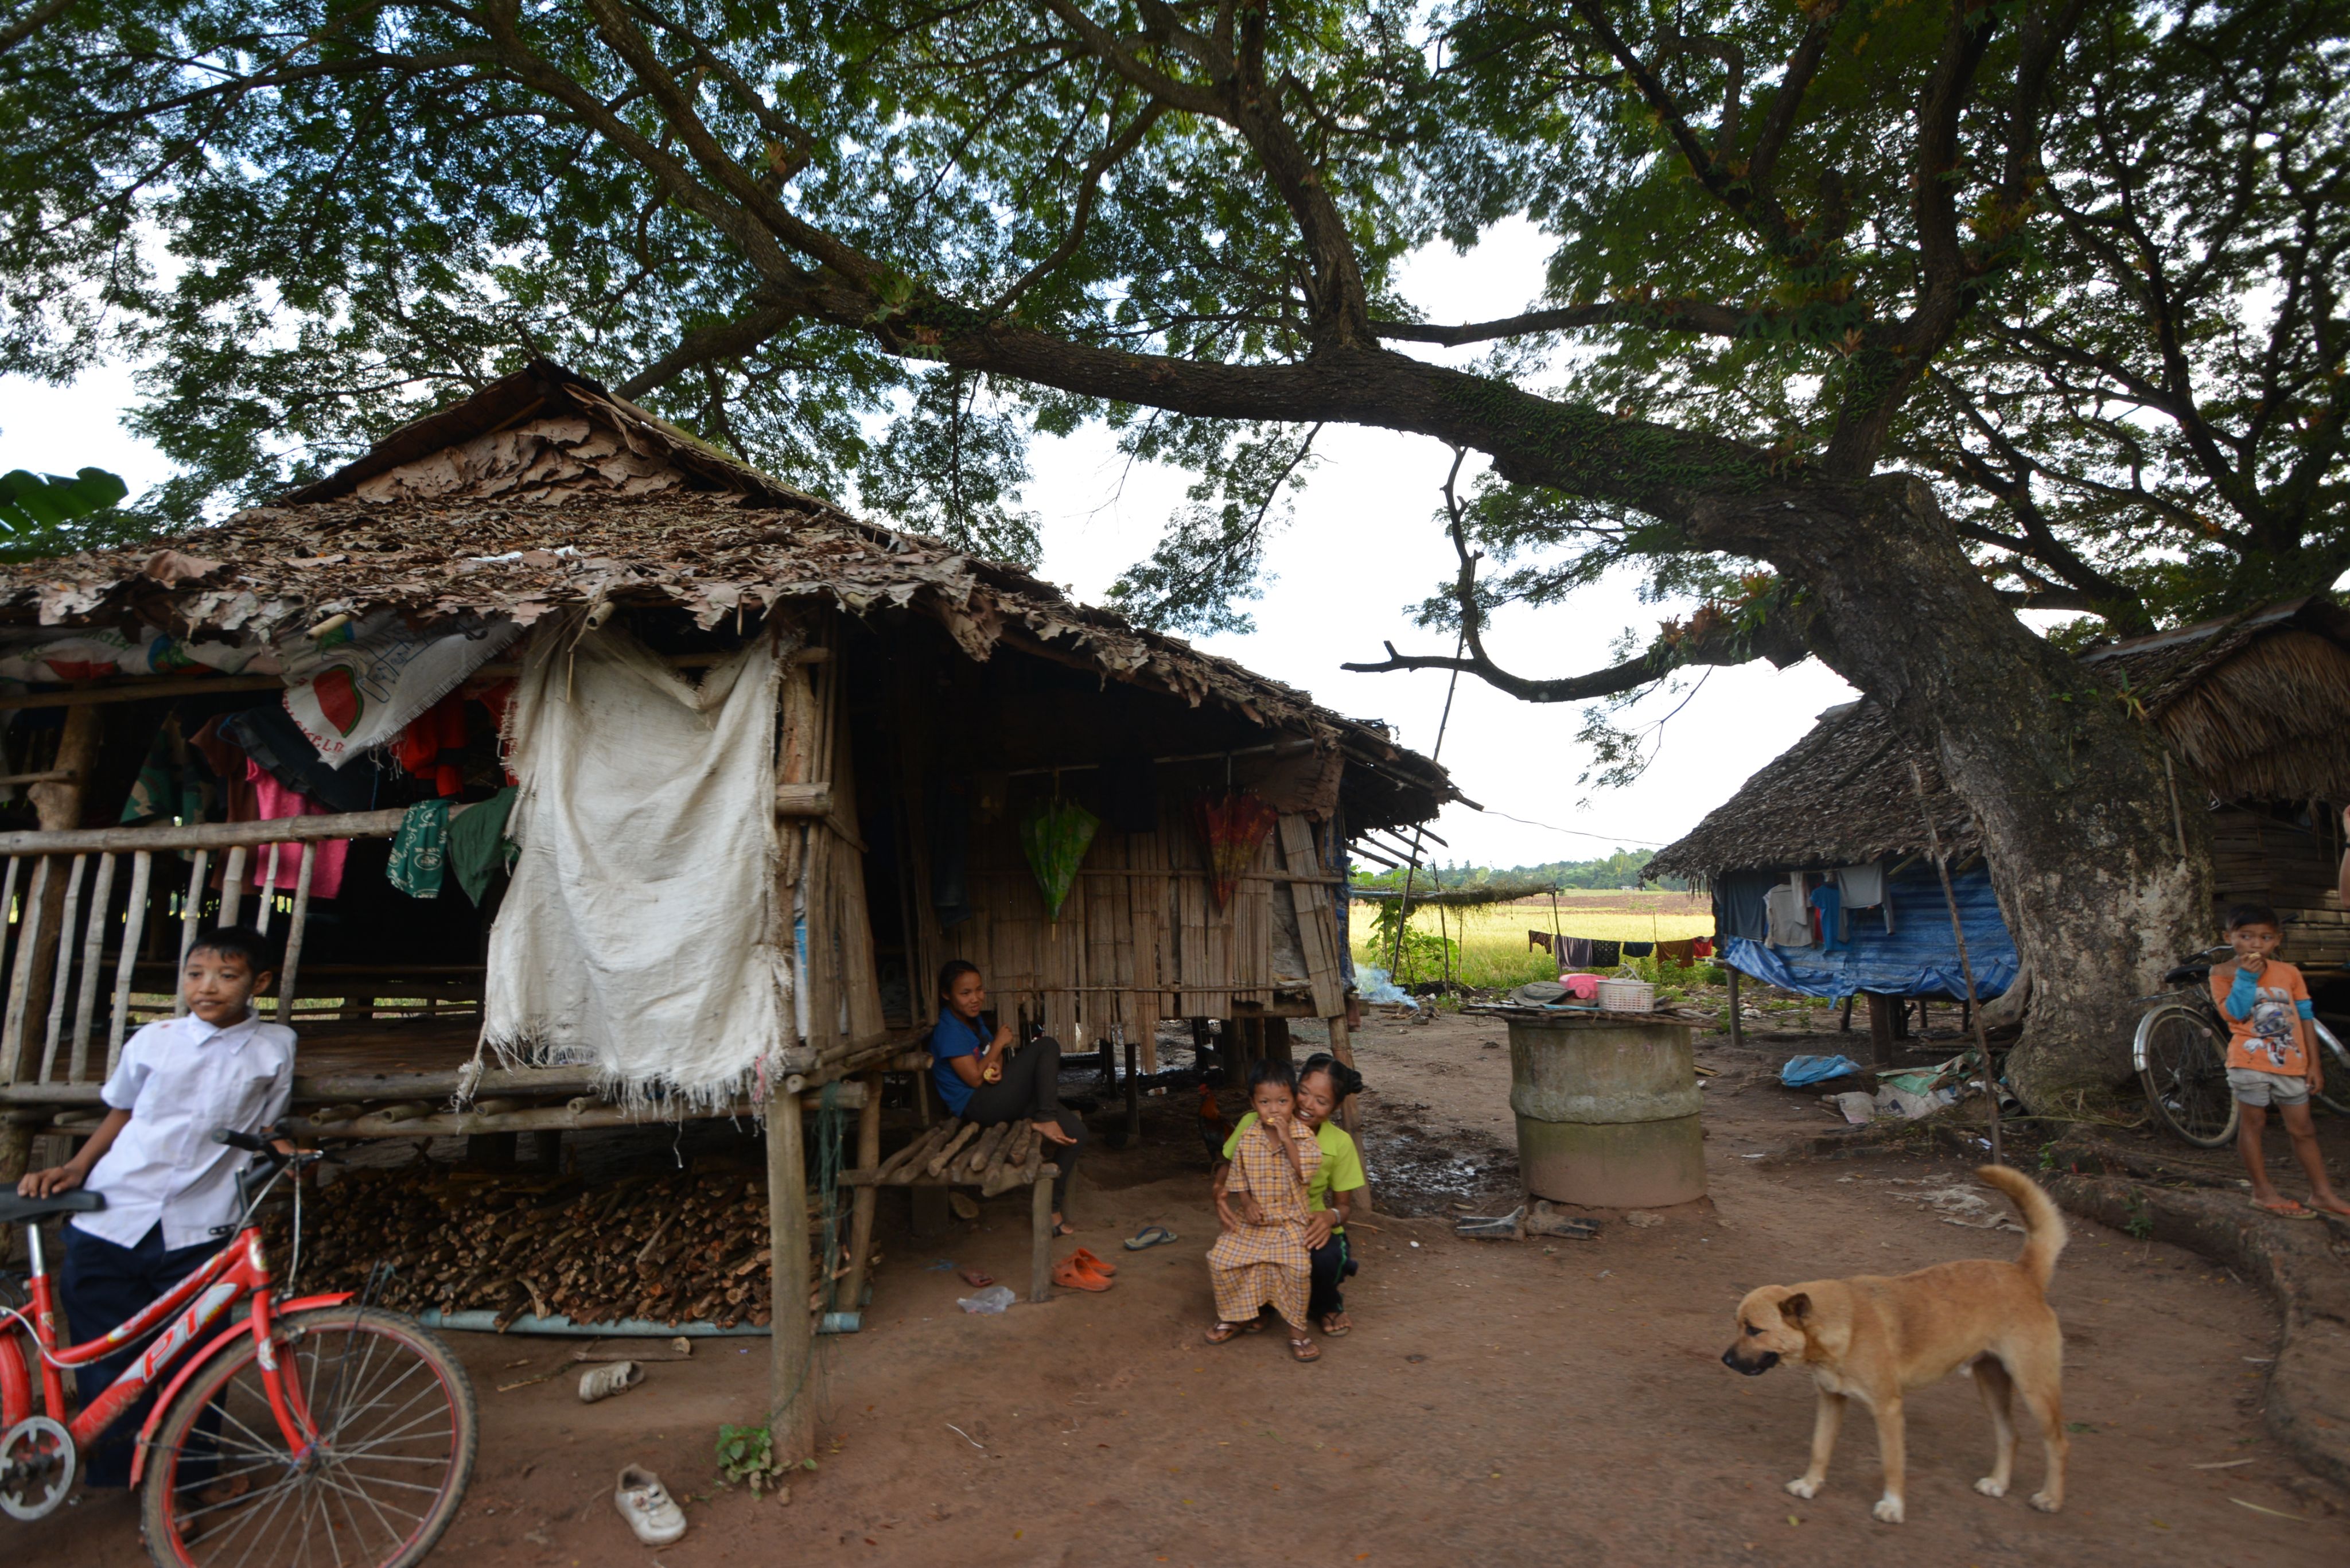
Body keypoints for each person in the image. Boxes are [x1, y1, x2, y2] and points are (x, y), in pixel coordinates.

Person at [15, 925, 295, 1486]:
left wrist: (281, 1144)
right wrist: (75, 1168)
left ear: (258, 982)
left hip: (202, 1228)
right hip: (113, 1217)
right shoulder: (153, 1041)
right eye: (195, 974)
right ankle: (127, 1478)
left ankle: (186, 1480)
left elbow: (267, 1124)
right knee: (107, 1357)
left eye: (227, 975)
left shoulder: (276, 1048)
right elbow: (121, 1113)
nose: (207, 987)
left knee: (197, 1356)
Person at [2209, 903, 2350, 1219]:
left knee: (2304, 1129)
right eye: (2245, 936)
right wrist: (2246, 977)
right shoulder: (2221, 973)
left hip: (2292, 1063)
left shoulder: (2290, 973)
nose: (2255, 944)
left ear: (2277, 940)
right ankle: (2262, 1192)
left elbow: (2306, 1018)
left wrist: (2314, 1063)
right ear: (2228, 936)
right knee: (2254, 1124)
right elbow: (2235, 1013)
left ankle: (2322, 1193)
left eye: (2265, 937)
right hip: (2248, 1062)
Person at [1215, 1052, 1367, 1336]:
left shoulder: (1340, 1143)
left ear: (1334, 1108)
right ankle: (1264, 1304)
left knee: (1324, 1259)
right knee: (1245, 1252)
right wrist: (1219, 1189)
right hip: (1267, 1219)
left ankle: (1327, 1303)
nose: (1308, 1105)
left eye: (1321, 1102)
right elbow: (1229, 1165)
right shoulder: (1254, 1122)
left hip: (1308, 1222)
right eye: (1304, 1093)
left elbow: (1344, 1207)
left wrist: (1330, 1217)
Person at [928, 959, 1084, 1235]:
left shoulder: (972, 1020)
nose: (975, 999)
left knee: (1076, 1134)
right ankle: (1045, 1118)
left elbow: (989, 1056)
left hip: (997, 1096)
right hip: (978, 1105)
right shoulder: (949, 1030)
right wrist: (998, 1046)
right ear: (946, 995)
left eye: (979, 990)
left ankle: (1051, 1207)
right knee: (1046, 1045)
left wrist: (996, 1063)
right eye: (965, 993)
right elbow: (975, 1079)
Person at [1204, 1059, 1321, 1363]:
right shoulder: (1248, 1138)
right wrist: (1246, 1203)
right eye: (1265, 1102)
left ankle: (1297, 1331)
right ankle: (1236, 1316)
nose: (1274, 1110)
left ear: (1294, 1100)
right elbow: (1239, 1176)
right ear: (1253, 1103)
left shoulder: (1304, 1138)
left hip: (1289, 1222)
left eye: (1282, 1102)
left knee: (1298, 1269)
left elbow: (1305, 1173)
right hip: (1253, 1222)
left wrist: (1286, 1139)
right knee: (1221, 1260)